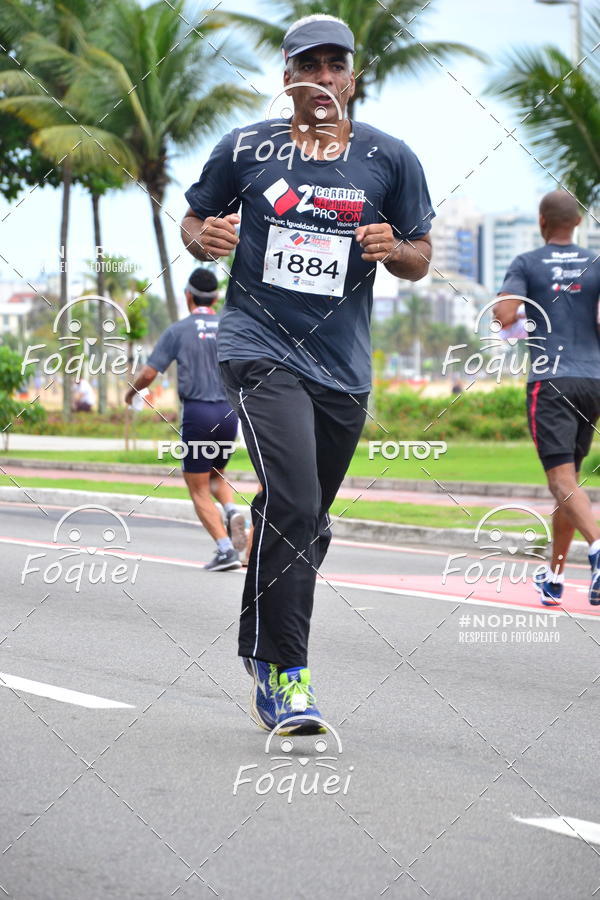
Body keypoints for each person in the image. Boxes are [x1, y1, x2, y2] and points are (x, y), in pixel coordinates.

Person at [181, 13, 434, 733]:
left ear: (351, 76)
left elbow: (422, 255)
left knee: (304, 517)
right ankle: (287, 674)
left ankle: (263, 641)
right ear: (287, 77)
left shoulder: (389, 158)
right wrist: (210, 233)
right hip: (258, 346)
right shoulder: (246, 149)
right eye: (308, 65)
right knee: (292, 499)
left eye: (335, 65)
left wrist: (396, 247)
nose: (322, 77)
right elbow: (194, 220)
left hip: (343, 369)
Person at [494, 190, 600, 608]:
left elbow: (505, 315)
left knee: (560, 480)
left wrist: (518, 324)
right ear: (576, 223)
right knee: (568, 481)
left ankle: (597, 548)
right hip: (593, 380)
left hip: (550, 380)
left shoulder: (527, 263)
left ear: (542, 222)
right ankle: (554, 577)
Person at [124, 267, 247, 571]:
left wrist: (131, 393)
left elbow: (151, 373)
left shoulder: (178, 330)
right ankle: (231, 509)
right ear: (216, 297)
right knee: (217, 474)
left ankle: (225, 550)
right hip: (229, 414)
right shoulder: (229, 327)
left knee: (198, 488)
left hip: (198, 414)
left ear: (188, 296)